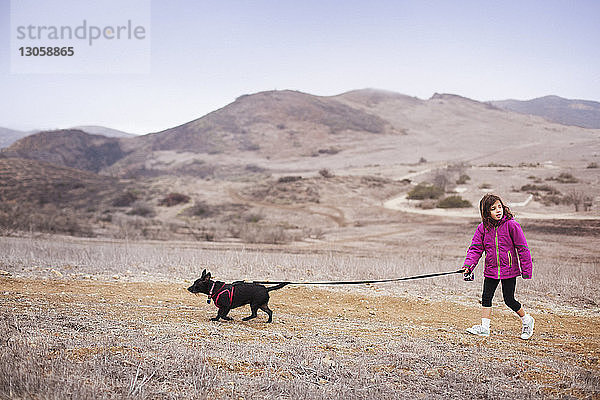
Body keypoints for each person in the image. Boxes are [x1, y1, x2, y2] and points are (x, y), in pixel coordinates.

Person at [462, 193, 535, 339]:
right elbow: (475, 249)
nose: (498, 210)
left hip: (509, 270)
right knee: (486, 297)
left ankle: (527, 320)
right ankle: (484, 328)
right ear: (486, 212)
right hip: (491, 270)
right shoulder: (483, 228)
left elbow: (522, 248)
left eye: (499, 207)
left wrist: (526, 270)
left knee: (509, 300)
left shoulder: (512, 225)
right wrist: (469, 266)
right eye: (493, 208)